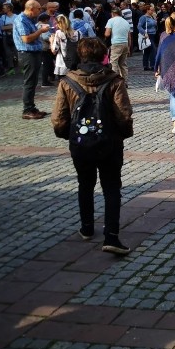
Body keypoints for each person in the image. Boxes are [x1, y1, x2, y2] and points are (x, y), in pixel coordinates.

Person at [52, 37, 133, 254]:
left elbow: (59, 118)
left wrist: (66, 134)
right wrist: (122, 135)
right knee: (112, 187)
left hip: (80, 143)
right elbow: (124, 114)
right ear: (103, 55)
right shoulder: (114, 80)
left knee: (85, 184)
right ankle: (112, 237)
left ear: (81, 55)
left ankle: (87, 228)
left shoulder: (67, 82)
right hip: (110, 142)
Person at [13, 0, 50, 119]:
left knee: (33, 81)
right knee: (29, 82)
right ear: (31, 8)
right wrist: (40, 31)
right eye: (38, 9)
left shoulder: (29, 20)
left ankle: (32, 107)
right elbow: (26, 39)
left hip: (34, 53)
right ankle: (27, 110)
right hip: (27, 54)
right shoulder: (21, 20)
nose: (40, 11)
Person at [105, 6, 132, 81]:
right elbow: (129, 36)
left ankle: (115, 81)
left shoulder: (111, 20)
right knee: (123, 64)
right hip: (125, 43)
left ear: (112, 13)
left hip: (116, 43)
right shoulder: (126, 22)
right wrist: (129, 47)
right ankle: (125, 81)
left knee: (114, 63)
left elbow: (107, 34)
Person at [50, 14, 80, 79]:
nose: (55, 25)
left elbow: (54, 51)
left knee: (64, 85)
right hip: (76, 62)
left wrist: (51, 41)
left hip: (63, 63)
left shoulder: (59, 33)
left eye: (56, 24)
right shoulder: (78, 33)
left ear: (59, 24)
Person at [138, 4, 158, 71]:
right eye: (151, 10)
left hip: (152, 35)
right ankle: (152, 65)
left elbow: (155, 25)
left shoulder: (152, 17)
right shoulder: (143, 17)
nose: (153, 11)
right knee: (153, 50)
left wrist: (155, 19)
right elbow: (139, 26)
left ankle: (145, 65)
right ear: (147, 10)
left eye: (153, 10)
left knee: (147, 50)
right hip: (147, 35)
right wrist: (144, 33)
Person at [1, 3, 19, 75]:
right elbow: (2, 27)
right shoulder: (3, 17)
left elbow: (17, 26)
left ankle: (21, 67)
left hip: (14, 36)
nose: (3, 9)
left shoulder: (16, 16)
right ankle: (11, 68)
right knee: (8, 53)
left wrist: (7, 27)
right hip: (6, 37)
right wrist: (11, 26)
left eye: (4, 8)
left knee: (17, 52)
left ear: (9, 8)